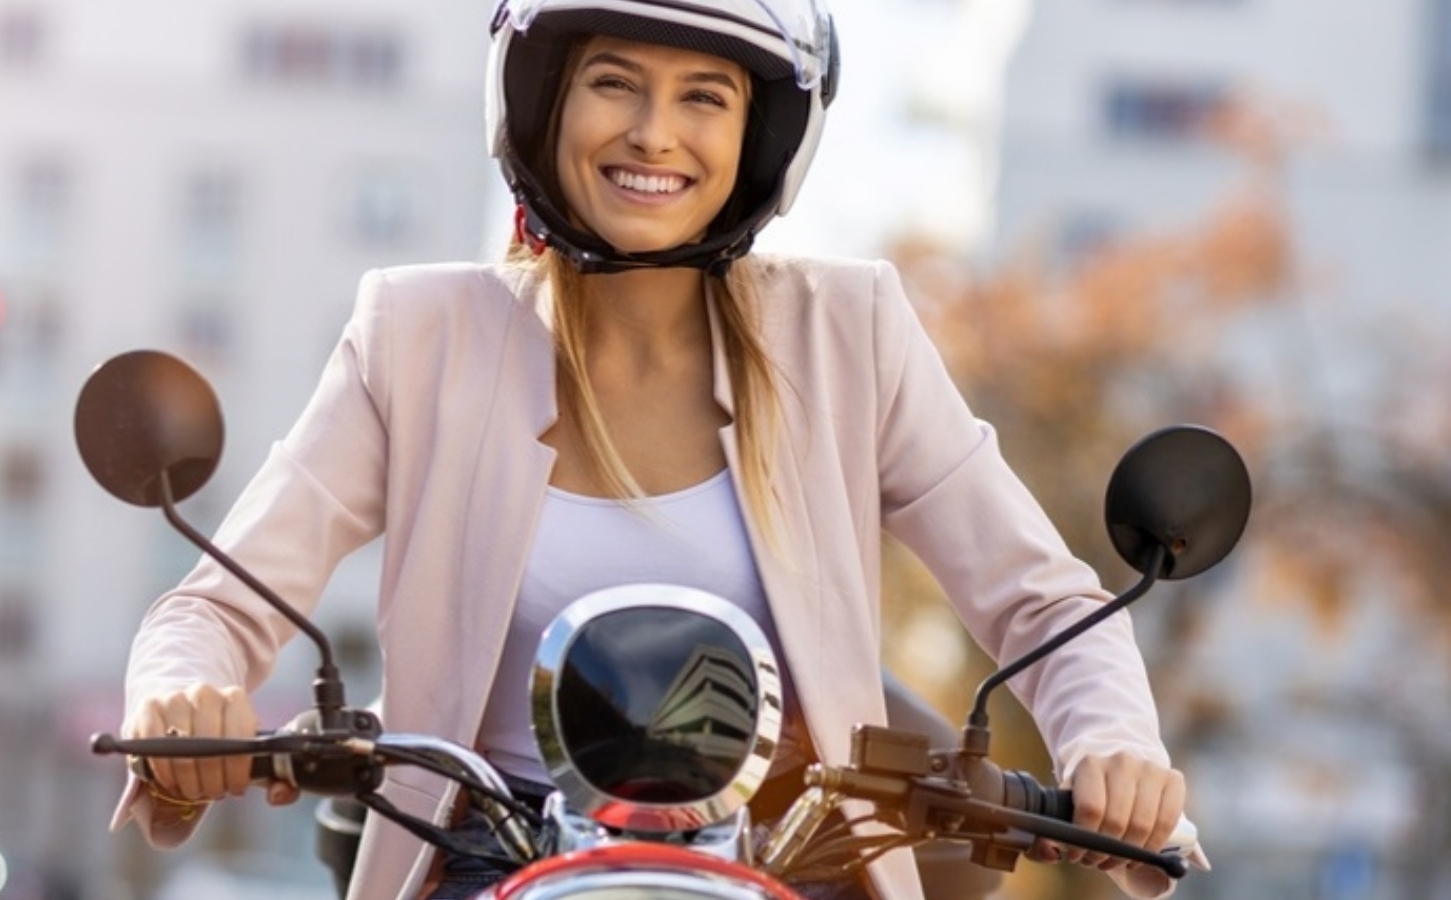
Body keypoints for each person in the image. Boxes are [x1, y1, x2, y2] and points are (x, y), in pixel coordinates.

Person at [109, 1, 1205, 898]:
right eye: (613, 81)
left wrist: (1110, 743)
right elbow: (220, 604)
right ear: (542, 103)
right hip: (488, 860)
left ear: (758, 136)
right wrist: (182, 693)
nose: (652, 132)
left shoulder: (845, 332)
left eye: (703, 97)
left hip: (783, 862)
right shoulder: (417, 335)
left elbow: (1039, 598)